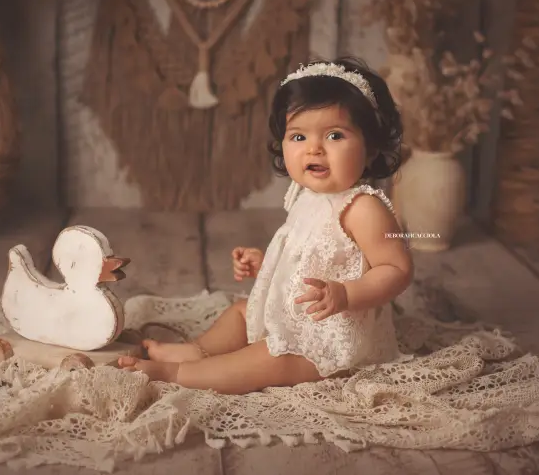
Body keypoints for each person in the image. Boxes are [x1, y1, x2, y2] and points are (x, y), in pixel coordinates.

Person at [118, 57, 413, 394]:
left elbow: (396, 268)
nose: (314, 148)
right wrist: (266, 264)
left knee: (271, 357)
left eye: (334, 135)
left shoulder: (363, 208)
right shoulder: (305, 195)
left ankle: (179, 374)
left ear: (371, 148)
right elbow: (304, 255)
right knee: (243, 312)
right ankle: (197, 350)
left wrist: (347, 293)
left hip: (330, 335)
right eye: (298, 136)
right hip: (296, 314)